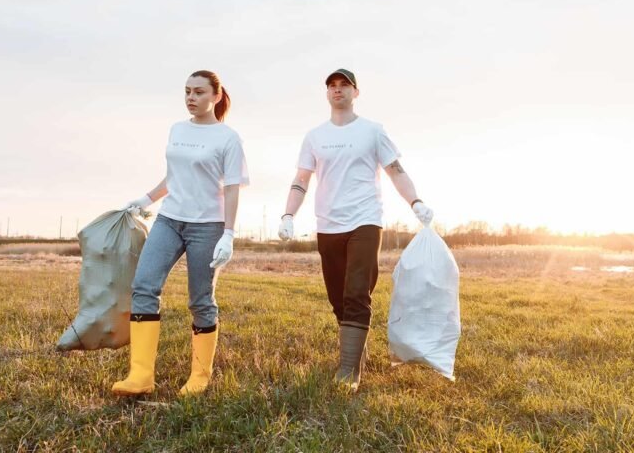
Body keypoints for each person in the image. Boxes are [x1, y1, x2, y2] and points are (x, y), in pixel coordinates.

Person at [278, 69, 433, 392]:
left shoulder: (373, 131)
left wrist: (415, 202)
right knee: (337, 297)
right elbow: (301, 179)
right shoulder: (314, 136)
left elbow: (396, 171)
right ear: (327, 94)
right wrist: (288, 214)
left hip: (365, 220)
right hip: (328, 224)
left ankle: (349, 371)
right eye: (332, 86)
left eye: (344, 85)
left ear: (355, 92)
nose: (338, 90)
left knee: (356, 292)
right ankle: (356, 352)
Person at [112, 70, 249, 397]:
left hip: (208, 227)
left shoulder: (228, 138)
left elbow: (232, 190)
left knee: (200, 299)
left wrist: (228, 234)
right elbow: (173, 177)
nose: (191, 98)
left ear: (216, 96)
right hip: (170, 220)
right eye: (187, 91)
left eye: (199, 92)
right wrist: (146, 198)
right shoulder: (177, 129)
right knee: (144, 285)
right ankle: (140, 375)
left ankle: (200, 376)